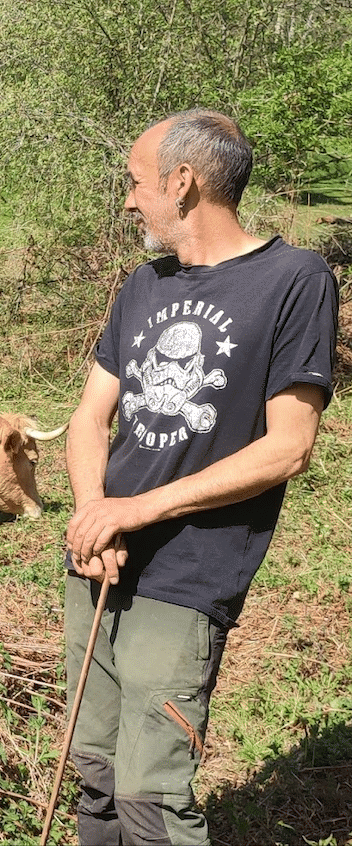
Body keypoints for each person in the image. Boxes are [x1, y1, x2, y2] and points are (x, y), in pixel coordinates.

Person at [62, 108, 338, 844]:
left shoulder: (294, 280)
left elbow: (288, 448)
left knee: (149, 797)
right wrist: (94, 510)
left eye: (136, 182)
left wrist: (135, 511)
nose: (128, 201)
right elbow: (90, 417)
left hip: (188, 571)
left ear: (182, 183)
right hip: (99, 555)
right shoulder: (144, 284)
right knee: (95, 772)